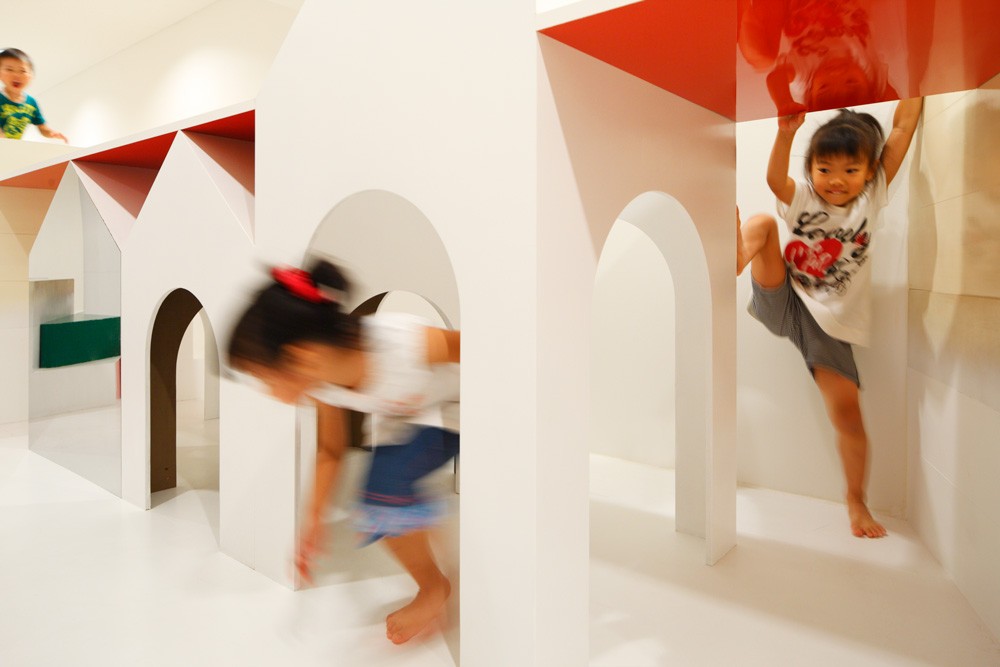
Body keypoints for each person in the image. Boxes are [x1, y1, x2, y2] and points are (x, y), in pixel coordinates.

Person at [227, 260, 460, 644]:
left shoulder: (402, 342)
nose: (267, 391)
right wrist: (313, 522)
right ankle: (432, 581)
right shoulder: (323, 383)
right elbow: (330, 450)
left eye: (265, 378)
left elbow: (471, 348)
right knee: (375, 504)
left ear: (302, 358)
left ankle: (434, 586)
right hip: (408, 419)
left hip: (458, 411)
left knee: (384, 485)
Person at [737, 97, 922, 538]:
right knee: (762, 223)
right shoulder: (803, 197)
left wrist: (917, 78)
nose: (836, 180)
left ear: (870, 172)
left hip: (830, 327)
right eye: (824, 169)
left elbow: (901, 130)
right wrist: (785, 134)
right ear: (811, 169)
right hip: (786, 298)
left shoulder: (870, 199)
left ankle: (856, 500)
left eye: (850, 170)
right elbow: (774, 179)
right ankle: (733, 258)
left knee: (848, 417)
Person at [0, 48, 67, 142]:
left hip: (12, 147)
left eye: (22, 71)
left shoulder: (31, 103)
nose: (16, 75)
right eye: (9, 69)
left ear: (31, 76)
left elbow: (42, 127)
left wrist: (51, 133)